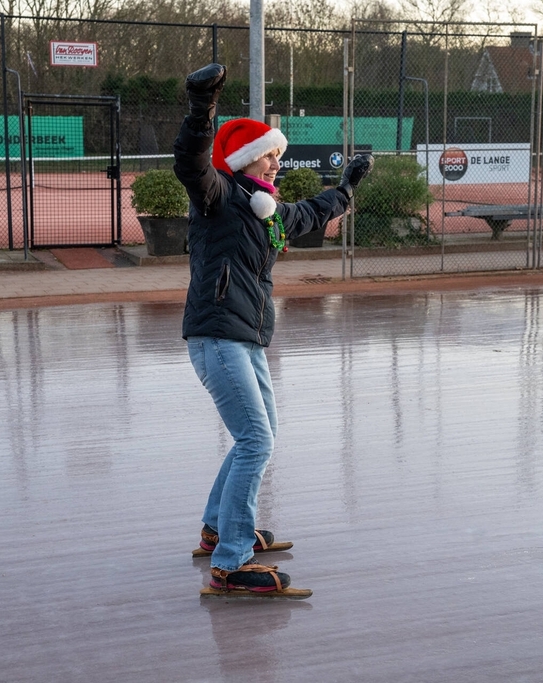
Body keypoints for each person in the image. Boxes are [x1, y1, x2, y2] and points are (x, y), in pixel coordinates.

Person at [174, 63, 373, 597]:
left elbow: (306, 215)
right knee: (255, 438)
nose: (277, 163)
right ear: (245, 160)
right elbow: (191, 165)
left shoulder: (265, 209)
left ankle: (219, 528)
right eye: (270, 155)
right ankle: (231, 562)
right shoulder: (217, 196)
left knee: (258, 435)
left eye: (278, 155)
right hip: (218, 337)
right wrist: (201, 109)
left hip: (246, 337)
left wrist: (345, 190)